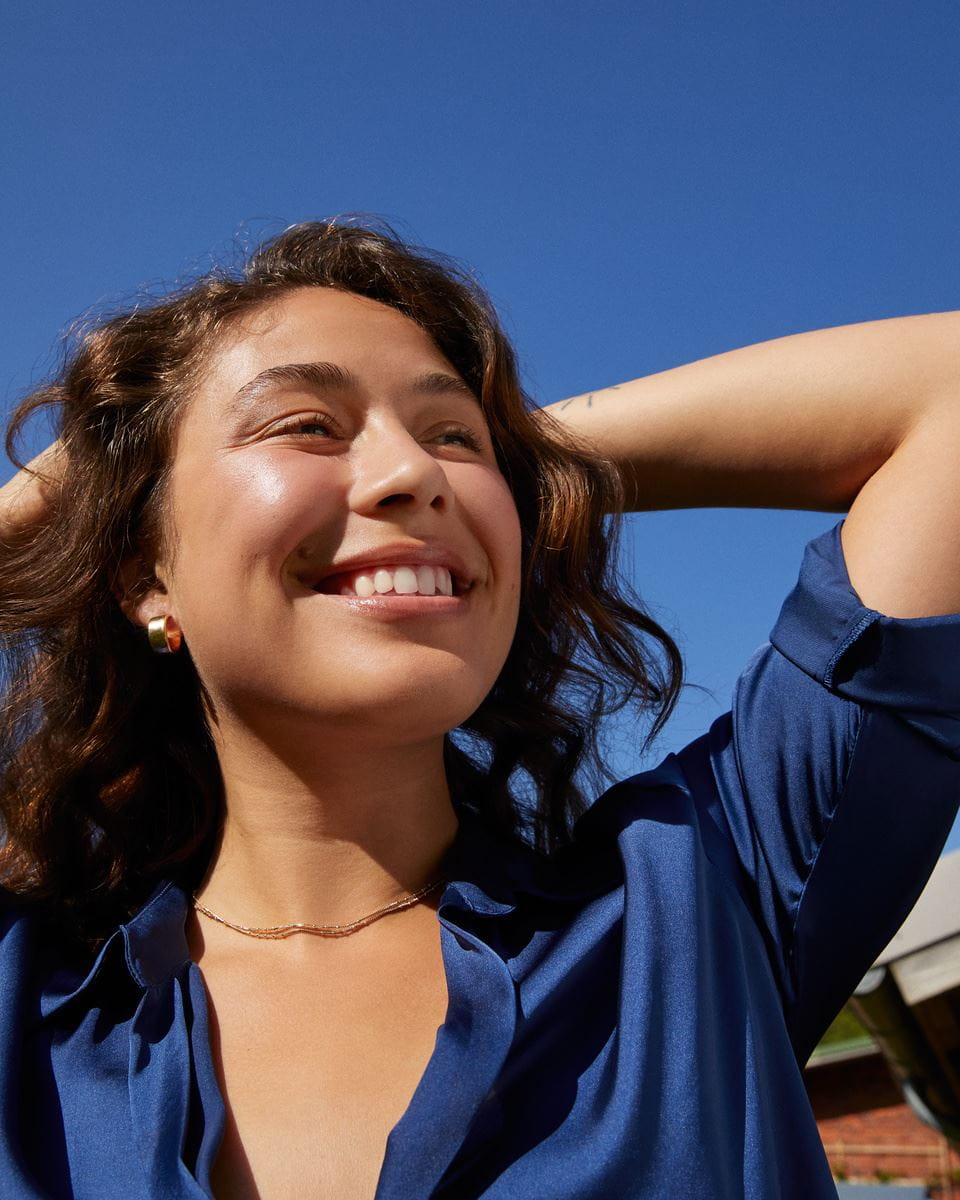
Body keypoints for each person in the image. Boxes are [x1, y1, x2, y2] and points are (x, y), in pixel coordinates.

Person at [0, 221, 958, 1200]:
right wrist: (93, 493)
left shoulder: (694, 908)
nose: (414, 474)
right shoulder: (24, 987)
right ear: (144, 578)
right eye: (305, 425)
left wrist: (531, 454)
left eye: (454, 437)